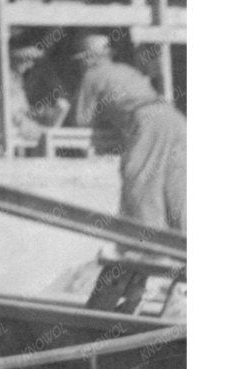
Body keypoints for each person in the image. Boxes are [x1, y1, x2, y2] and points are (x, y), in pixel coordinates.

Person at [66, 34, 186, 232]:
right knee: (178, 183)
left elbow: (82, 120)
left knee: (140, 179)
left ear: (88, 58)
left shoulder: (92, 75)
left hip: (148, 121)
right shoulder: (126, 70)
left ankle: (149, 247)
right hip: (174, 118)